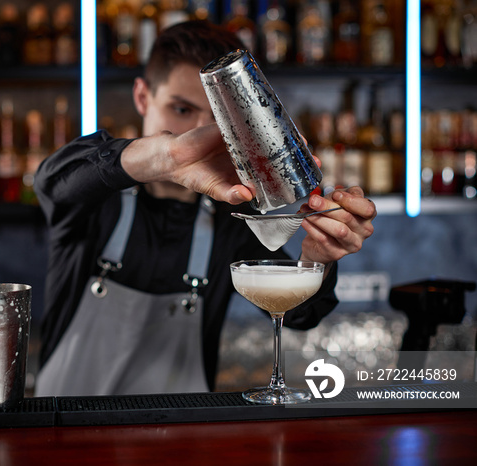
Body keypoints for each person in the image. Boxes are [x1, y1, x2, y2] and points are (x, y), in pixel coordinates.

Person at [33, 20, 376, 396]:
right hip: (66, 434)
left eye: (218, 119)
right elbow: (52, 179)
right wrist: (168, 153)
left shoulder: (232, 220)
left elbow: (299, 316)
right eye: (181, 109)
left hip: (180, 441)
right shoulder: (94, 201)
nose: (198, 132)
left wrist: (318, 260)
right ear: (143, 97)